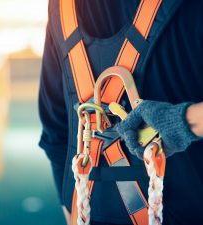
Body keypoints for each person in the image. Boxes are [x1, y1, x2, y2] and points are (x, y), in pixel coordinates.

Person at [38, 0, 203, 224]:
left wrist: (74, 212)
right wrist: (187, 120)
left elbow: (55, 131)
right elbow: (55, 131)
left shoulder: (62, 8)